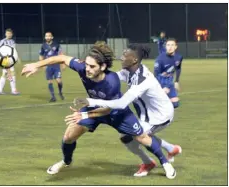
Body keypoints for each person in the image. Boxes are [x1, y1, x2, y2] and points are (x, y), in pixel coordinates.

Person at [21, 43, 176, 179]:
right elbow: (61, 58)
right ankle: (66, 161)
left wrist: (84, 113)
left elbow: (109, 109)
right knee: (69, 137)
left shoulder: (112, 82)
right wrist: (36, 64)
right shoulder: (83, 68)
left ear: (102, 67)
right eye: (86, 65)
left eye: (92, 66)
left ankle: (165, 162)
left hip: (116, 112)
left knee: (142, 137)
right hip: (93, 109)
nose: (87, 69)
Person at [70, 44, 182, 177]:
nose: (121, 57)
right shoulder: (128, 71)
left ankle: (162, 164)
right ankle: (169, 150)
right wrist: (95, 71)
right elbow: (112, 78)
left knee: (137, 136)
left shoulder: (142, 80)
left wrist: (91, 101)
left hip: (161, 116)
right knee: (131, 137)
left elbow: (121, 103)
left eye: (125, 55)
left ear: (134, 59)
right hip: (146, 115)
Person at [154, 38, 183, 108]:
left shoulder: (179, 57)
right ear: (165, 46)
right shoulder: (160, 59)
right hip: (160, 82)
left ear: (176, 47)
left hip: (170, 82)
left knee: (175, 104)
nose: (170, 47)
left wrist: (176, 81)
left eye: (172, 45)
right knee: (161, 105)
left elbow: (178, 68)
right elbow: (155, 75)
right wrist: (162, 87)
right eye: (168, 45)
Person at [39, 31, 64, 102]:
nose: (48, 37)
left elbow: (61, 54)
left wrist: (63, 64)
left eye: (49, 36)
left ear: (52, 37)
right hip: (48, 66)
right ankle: (53, 97)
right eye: (46, 36)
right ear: (45, 37)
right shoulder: (43, 46)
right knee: (50, 82)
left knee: (59, 81)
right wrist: (42, 65)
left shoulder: (56, 44)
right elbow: (41, 56)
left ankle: (60, 92)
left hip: (56, 65)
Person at [0, 28, 20, 95]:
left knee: (4, 75)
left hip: (11, 60)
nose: (9, 35)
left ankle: (0, 90)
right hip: (5, 59)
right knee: (11, 74)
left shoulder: (12, 41)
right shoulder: (2, 41)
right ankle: (13, 90)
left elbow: (14, 50)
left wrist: (17, 58)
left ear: (12, 34)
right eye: (7, 33)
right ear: (5, 34)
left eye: (10, 33)